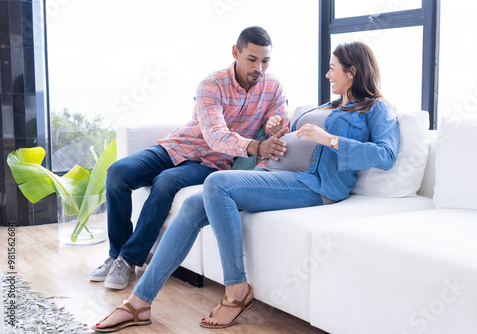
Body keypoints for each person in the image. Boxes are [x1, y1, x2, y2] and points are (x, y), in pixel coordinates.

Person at [91, 41, 399, 332]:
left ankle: (237, 290)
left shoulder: (376, 109)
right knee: (193, 204)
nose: (328, 74)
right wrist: (278, 128)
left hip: (315, 186)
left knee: (217, 183)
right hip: (277, 173)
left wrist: (329, 139)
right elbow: (292, 135)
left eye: (333, 68)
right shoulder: (329, 105)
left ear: (353, 72)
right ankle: (139, 303)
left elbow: (385, 156)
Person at [89, 26, 289, 290]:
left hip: (212, 163)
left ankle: (128, 260)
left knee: (166, 182)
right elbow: (215, 135)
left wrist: (276, 127)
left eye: (265, 61)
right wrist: (255, 146)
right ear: (235, 53)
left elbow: (281, 126)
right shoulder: (212, 84)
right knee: (117, 173)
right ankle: (115, 255)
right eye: (252, 59)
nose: (259, 68)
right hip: (180, 145)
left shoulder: (272, 86)